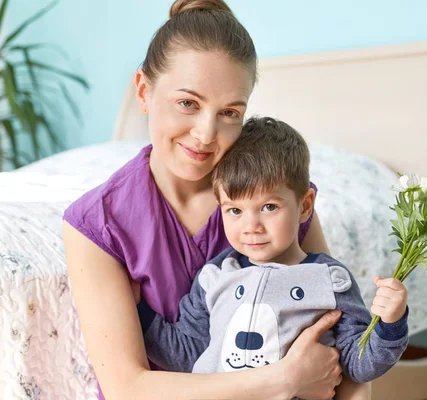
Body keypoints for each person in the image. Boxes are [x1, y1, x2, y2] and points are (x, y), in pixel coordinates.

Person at [63, 1, 350, 399]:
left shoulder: (280, 200)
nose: (205, 133)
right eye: (188, 104)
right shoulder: (97, 223)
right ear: (144, 92)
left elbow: (340, 329)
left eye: (230, 112)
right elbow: (127, 387)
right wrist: (285, 379)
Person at [136, 117, 409, 396]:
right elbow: (187, 355)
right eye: (235, 211)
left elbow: (358, 364)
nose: (251, 226)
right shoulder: (214, 277)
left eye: (268, 206)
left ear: (304, 206)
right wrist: (137, 310)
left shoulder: (329, 280)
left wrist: (391, 324)